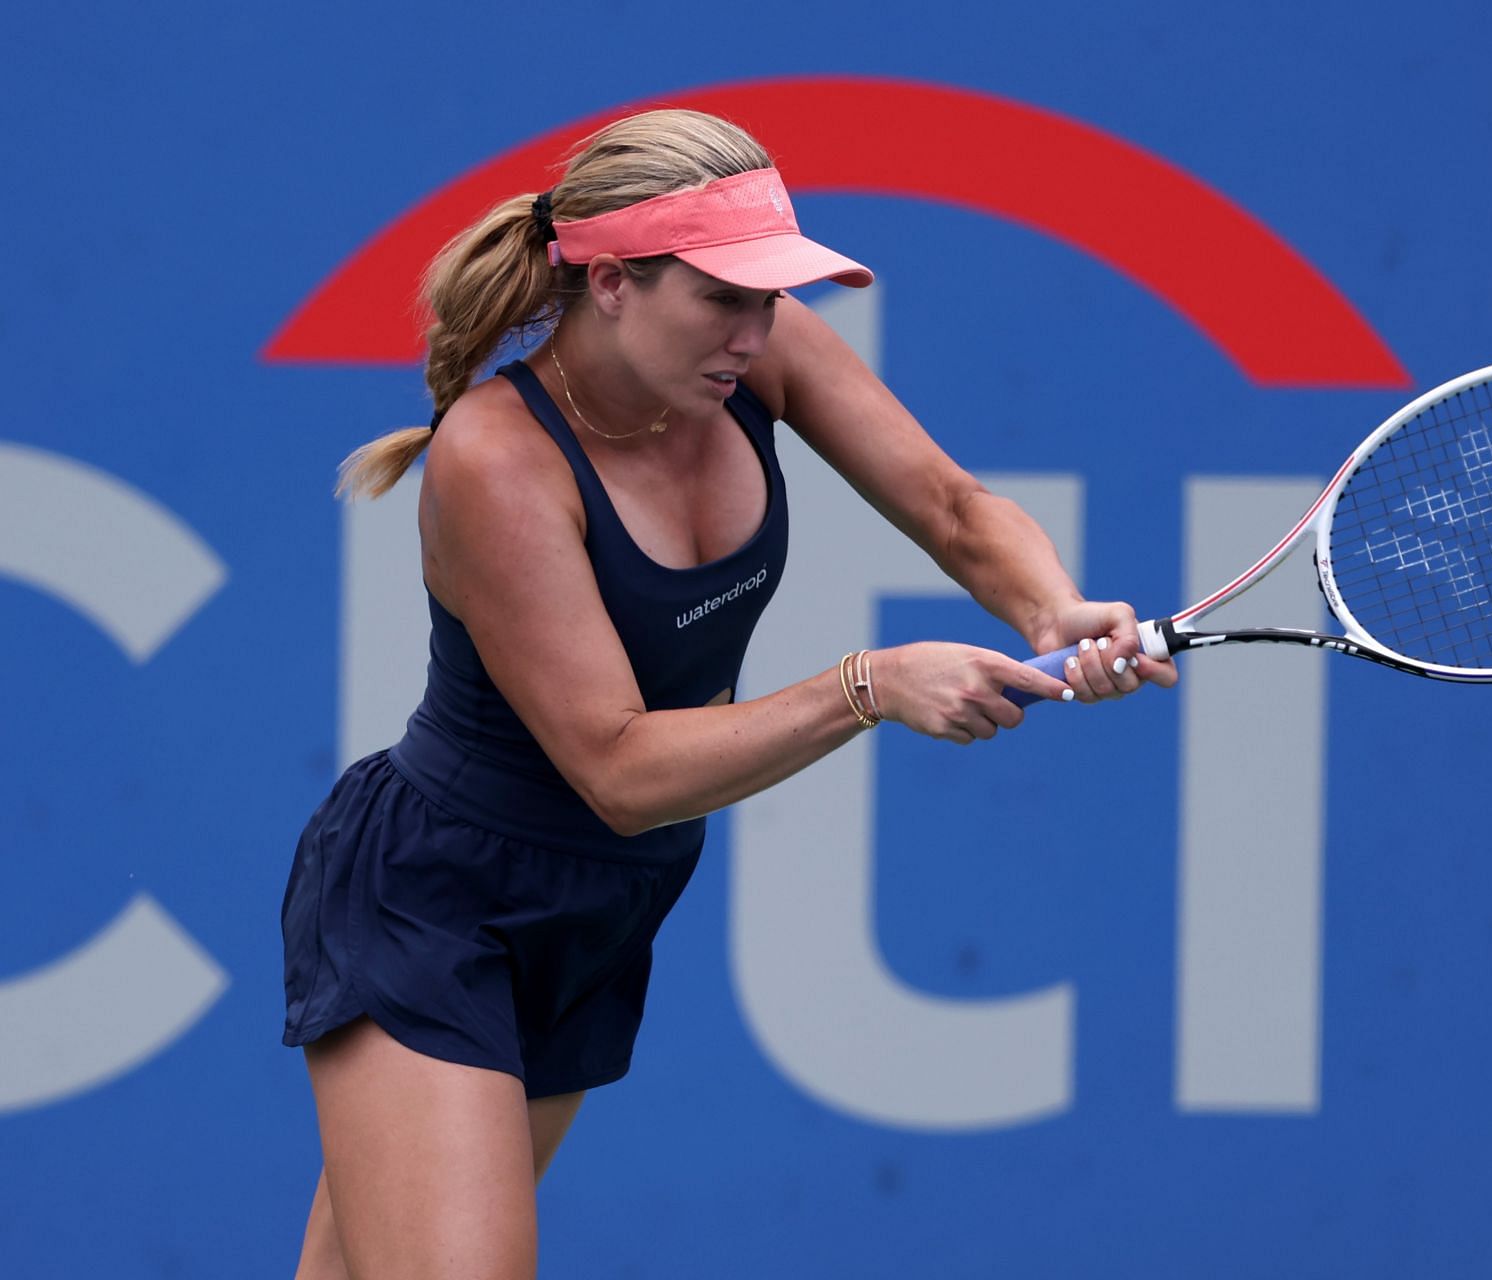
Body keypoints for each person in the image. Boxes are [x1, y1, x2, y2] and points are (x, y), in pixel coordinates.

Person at [280, 107, 1175, 1279]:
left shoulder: (759, 348)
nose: (754, 330)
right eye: (722, 297)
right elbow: (616, 768)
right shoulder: (498, 458)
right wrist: (868, 684)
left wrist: (1049, 607)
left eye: (768, 298)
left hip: (599, 904)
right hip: (435, 901)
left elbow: (955, 508)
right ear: (608, 282)